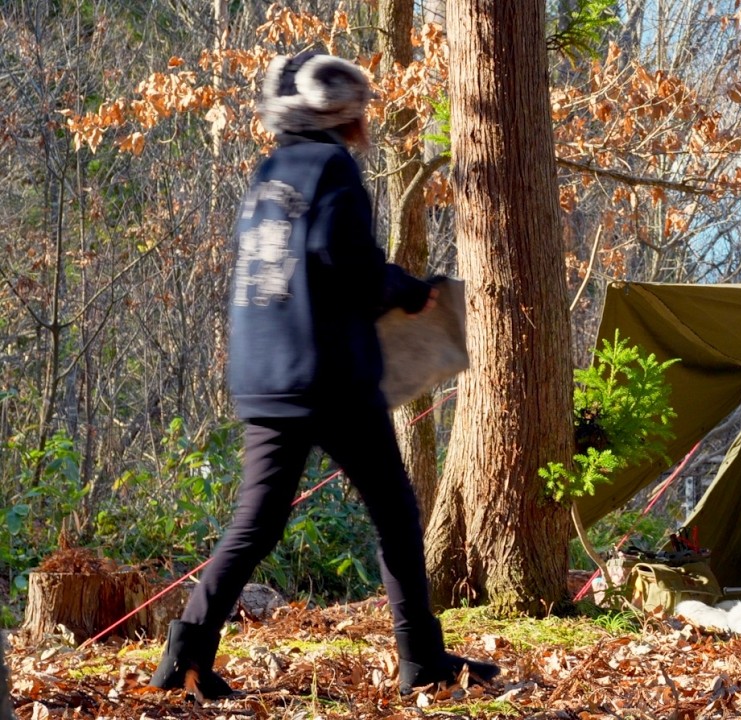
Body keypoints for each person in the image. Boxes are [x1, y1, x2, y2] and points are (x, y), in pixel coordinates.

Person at [148, 51, 500, 699]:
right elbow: (347, 263)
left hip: (265, 375)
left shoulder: (269, 171)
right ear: (344, 116)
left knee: (255, 526)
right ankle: (421, 660)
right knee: (396, 515)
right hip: (330, 378)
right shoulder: (333, 167)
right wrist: (408, 290)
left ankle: (183, 662)